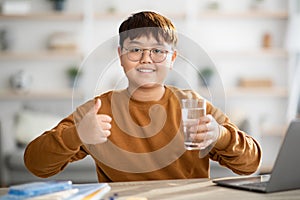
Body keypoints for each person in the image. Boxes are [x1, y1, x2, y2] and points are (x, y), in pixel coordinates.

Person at [24, 11, 262, 182]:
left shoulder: (194, 106)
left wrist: (220, 136)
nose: (146, 59)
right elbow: (36, 165)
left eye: (158, 51)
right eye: (135, 50)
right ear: (120, 55)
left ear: (173, 58)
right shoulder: (100, 109)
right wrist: (77, 134)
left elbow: (251, 165)